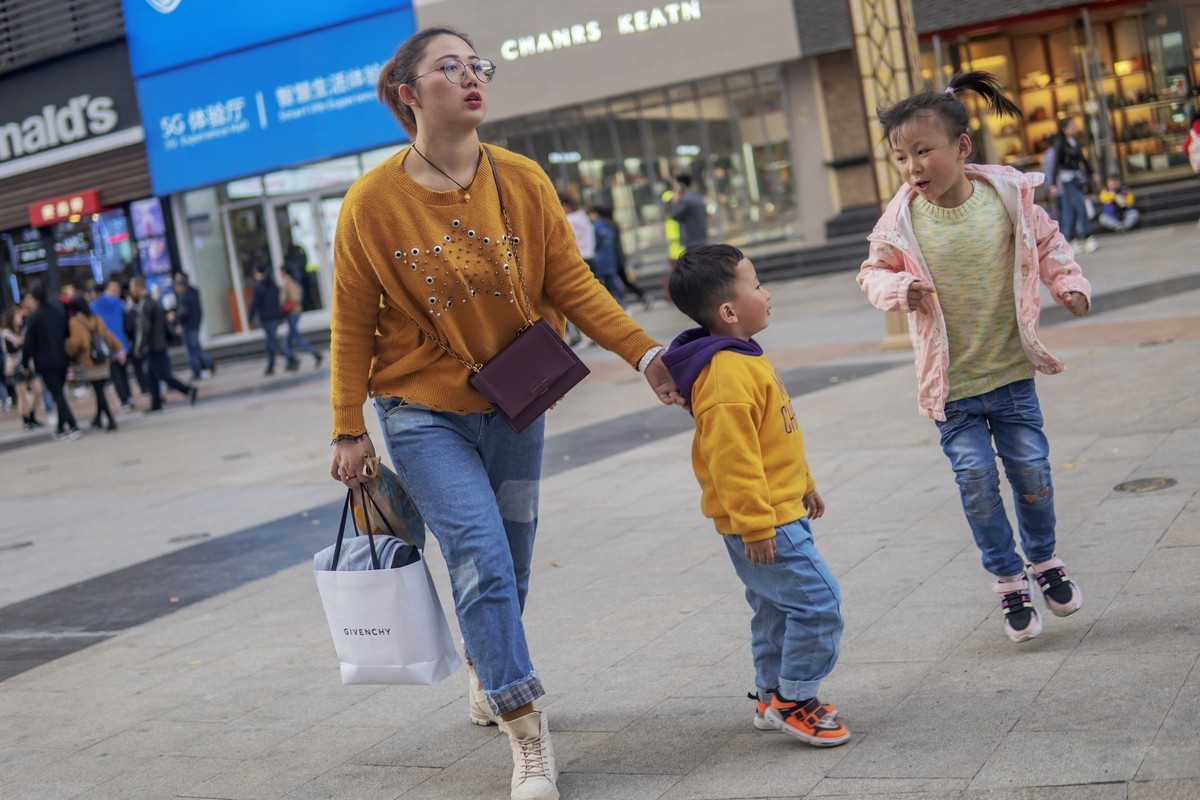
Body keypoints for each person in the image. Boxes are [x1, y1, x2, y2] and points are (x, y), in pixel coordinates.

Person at [330, 27, 684, 800]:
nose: (470, 78)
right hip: (420, 410)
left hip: (516, 402)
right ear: (407, 94)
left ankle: (487, 668)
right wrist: (348, 425)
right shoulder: (370, 203)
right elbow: (352, 322)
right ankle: (527, 734)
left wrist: (644, 353)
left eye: (476, 65)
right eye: (448, 68)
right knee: (481, 559)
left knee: (511, 566)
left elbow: (573, 283)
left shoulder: (521, 179)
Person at [857, 71, 1092, 643]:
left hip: (1010, 375)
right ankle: (1009, 579)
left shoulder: (1007, 198)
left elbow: (1049, 243)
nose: (912, 167)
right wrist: (896, 292)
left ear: (961, 148)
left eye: (923, 151)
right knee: (977, 481)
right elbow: (871, 273)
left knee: (1032, 473)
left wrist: (1069, 283)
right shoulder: (900, 221)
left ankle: (1044, 560)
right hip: (952, 388)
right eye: (900, 156)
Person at [662, 243, 850, 747]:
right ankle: (796, 699)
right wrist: (756, 524)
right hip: (766, 521)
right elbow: (732, 459)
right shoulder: (726, 373)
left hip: (777, 509)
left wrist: (804, 482)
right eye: (758, 285)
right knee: (819, 603)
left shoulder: (742, 357)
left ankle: (770, 696)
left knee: (773, 609)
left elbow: (774, 436)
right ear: (728, 311)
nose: (768, 294)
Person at [20, 284, 80, 440]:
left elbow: (29, 344)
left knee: (57, 394)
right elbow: (68, 330)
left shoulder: (35, 316)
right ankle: (61, 428)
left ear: (34, 299)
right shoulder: (58, 308)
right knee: (59, 391)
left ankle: (73, 425)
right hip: (62, 356)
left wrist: (25, 364)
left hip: (45, 361)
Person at [130, 276, 198, 411]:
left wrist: (139, 347)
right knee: (152, 374)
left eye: (132, 288)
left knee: (162, 374)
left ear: (137, 288)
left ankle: (188, 390)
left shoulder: (145, 305)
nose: (131, 291)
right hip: (158, 343)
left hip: (153, 346)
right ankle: (156, 404)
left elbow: (144, 328)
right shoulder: (152, 302)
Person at [65, 297, 124, 431]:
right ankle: (98, 418)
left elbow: (75, 342)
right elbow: (107, 336)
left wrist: (67, 348)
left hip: (89, 360)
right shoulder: (97, 319)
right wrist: (119, 348)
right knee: (100, 390)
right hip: (102, 359)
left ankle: (110, 419)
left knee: (99, 391)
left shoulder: (75, 322)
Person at [1043, 116, 1099, 254]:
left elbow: (1083, 160)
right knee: (1080, 206)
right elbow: (1055, 165)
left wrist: (1092, 173)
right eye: (1072, 126)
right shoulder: (1060, 145)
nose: (1075, 128)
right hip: (1067, 181)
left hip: (1077, 178)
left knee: (1071, 210)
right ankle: (1087, 236)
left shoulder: (1076, 142)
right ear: (1064, 129)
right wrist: (1052, 184)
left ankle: (1073, 239)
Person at [593, 205, 651, 310]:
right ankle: (641, 296)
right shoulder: (612, 225)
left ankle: (635, 298)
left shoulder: (605, 226)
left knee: (620, 281)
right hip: (617, 258)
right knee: (620, 281)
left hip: (615, 259)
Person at [91, 280, 137, 411]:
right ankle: (129, 397)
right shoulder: (118, 302)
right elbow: (128, 321)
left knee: (116, 375)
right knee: (124, 373)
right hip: (122, 343)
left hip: (108, 345)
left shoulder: (94, 307)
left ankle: (124, 400)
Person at [248, 264, 298, 375]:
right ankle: (270, 367)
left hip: (267, 318)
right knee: (270, 342)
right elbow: (279, 301)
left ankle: (291, 358)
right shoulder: (273, 285)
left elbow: (254, 304)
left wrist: (250, 317)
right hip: (275, 317)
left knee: (274, 342)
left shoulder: (259, 287)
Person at [2, 308, 45, 430]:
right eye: (17, 317)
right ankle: (25, 420)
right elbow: (10, 350)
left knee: (38, 390)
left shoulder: (24, 330)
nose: (19, 319)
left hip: (28, 364)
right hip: (15, 366)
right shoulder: (6, 334)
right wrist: (23, 344)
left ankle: (32, 414)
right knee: (22, 394)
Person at [278, 267, 323, 369]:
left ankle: (314, 354)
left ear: (283, 272)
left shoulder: (286, 283)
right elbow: (299, 293)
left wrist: (279, 306)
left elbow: (282, 299)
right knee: (289, 338)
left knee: (295, 337)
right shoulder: (294, 281)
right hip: (297, 310)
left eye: (279, 271)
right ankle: (291, 360)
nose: (278, 274)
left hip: (291, 312)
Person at [172, 274, 215, 380]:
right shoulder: (192, 293)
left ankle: (202, 367)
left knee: (192, 350)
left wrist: (176, 317)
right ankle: (205, 365)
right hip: (194, 325)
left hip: (188, 327)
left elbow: (184, 313)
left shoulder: (185, 296)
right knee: (195, 348)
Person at [587, 205, 624, 304]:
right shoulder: (609, 225)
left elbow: (595, 243)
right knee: (611, 280)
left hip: (601, 258)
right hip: (610, 257)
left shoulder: (596, 226)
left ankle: (616, 300)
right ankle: (620, 299)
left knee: (605, 282)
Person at [667, 174, 709, 250]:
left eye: (676, 184)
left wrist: (675, 202)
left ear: (681, 185)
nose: (674, 187)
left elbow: (674, 215)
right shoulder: (697, 197)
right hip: (701, 238)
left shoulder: (685, 200)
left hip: (691, 240)